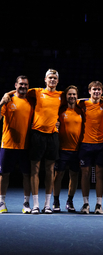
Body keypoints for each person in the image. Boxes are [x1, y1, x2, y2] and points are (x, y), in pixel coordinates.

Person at [8, 69, 63, 214]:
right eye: (50, 77)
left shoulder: (61, 95)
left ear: (57, 81)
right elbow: (18, 90)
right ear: (45, 79)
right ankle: (36, 204)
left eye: (55, 78)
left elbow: (76, 100)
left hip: (52, 136)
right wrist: (5, 95)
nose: (52, 80)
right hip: (37, 135)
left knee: (51, 170)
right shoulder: (36, 92)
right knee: (35, 170)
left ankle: (47, 205)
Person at [0, 75, 33, 213]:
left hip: (26, 146)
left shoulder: (32, 101)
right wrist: (2, 100)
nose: (23, 86)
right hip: (8, 144)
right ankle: (1, 202)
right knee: (4, 174)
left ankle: (26, 203)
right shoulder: (8, 100)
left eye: (25, 84)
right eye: (21, 84)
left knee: (27, 175)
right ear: (15, 85)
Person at [77, 81, 103, 214]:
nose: (96, 92)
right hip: (85, 144)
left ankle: (99, 205)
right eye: (94, 89)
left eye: (99, 90)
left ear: (102, 92)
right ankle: (86, 204)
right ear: (89, 91)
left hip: (101, 144)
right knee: (85, 174)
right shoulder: (82, 103)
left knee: (100, 175)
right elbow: (70, 98)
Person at [53, 85, 84, 213]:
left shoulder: (81, 110)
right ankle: (56, 201)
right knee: (58, 175)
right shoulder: (60, 110)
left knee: (74, 175)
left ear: (77, 96)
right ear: (66, 97)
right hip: (62, 149)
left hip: (77, 150)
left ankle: (70, 201)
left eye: (74, 94)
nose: (72, 96)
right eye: (69, 94)